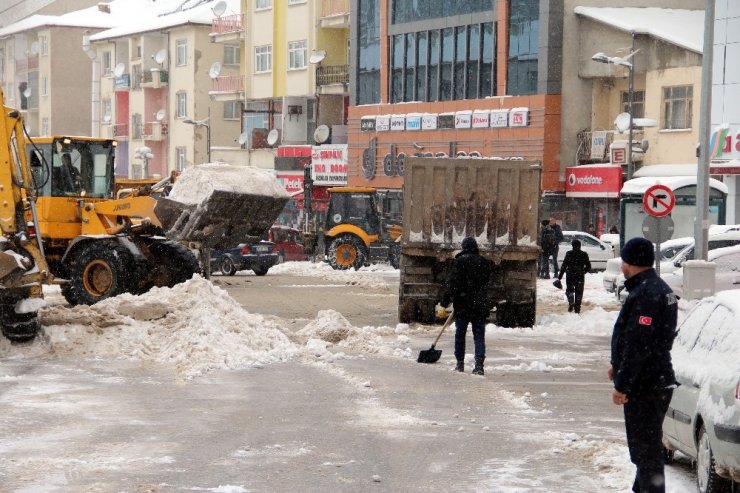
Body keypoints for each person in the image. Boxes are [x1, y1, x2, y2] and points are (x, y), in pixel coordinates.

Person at [609, 237, 678, 493]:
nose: (622, 267)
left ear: (633, 262)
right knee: (645, 451)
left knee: (646, 455)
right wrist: (616, 364)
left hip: (645, 385)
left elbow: (640, 345)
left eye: (625, 261)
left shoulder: (647, 294)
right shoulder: (656, 289)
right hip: (654, 381)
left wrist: (622, 385)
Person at [440, 237, 492, 375]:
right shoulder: (485, 263)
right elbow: (486, 283)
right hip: (479, 304)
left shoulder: (459, 262)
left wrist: (445, 301)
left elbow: (452, 284)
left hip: (462, 305)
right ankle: (479, 365)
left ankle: (460, 363)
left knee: (460, 334)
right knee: (479, 335)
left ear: (463, 247)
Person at [555, 239, 591, 313]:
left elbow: (564, 265)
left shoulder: (569, 253)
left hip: (570, 274)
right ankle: (577, 309)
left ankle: (571, 302)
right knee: (579, 292)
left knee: (569, 290)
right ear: (580, 246)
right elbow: (588, 266)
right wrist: (583, 271)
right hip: (580, 275)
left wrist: (559, 277)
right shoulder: (584, 254)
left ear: (572, 246)